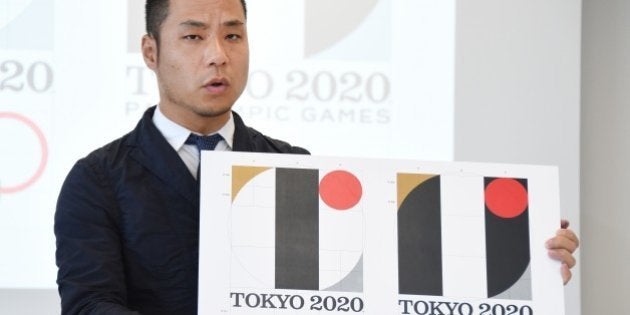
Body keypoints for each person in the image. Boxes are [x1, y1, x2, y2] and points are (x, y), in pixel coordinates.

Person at [54, 0, 580, 314]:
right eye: (193, 36)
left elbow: (375, 284)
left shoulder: (294, 167)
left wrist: (525, 263)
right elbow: (89, 306)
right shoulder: (98, 181)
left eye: (233, 34)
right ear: (151, 52)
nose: (217, 53)